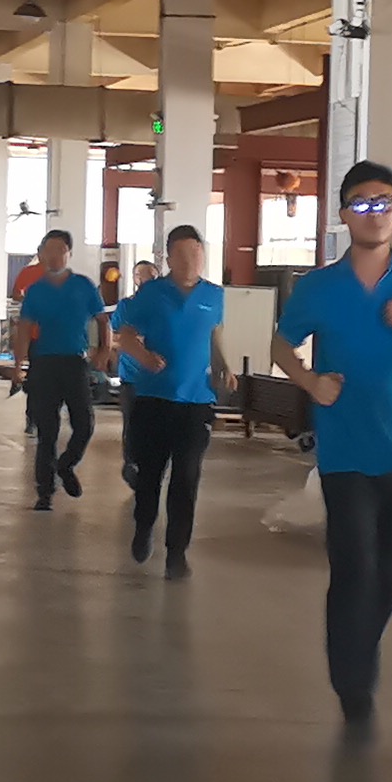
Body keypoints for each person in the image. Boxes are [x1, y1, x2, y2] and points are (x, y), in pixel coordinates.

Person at [272, 160, 392, 726]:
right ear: (344, 215)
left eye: (384, 202)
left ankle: (361, 649)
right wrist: (310, 381)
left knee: (387, 573)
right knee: (353, 565)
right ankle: (352, 684)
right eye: (362, 203)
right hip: (345, 452)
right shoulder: (319, 287)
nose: (374, 212)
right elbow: (282, 344)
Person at [111, 223, 233, 576]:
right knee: (150, 475)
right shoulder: (152, 294)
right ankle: (143, 526)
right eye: (182, 254)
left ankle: (177, 552)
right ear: (169, 258)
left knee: (187, 477)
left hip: (196, 401)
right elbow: (125, 337)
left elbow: (214, 334)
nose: (191, 260)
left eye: (196, 252)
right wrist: (144, 357)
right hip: (154, 399)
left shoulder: (214, 295)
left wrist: (224, 366)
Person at [11, 228, 109, 509]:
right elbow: (24, 329)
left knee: (84, 424)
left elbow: (103, 320)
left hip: (75, 363)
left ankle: (66, 465)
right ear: (42, 254)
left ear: (69, 254)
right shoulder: (36, 291)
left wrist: (104, 350)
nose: (54, 256)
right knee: (47, 430)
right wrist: (19, 365)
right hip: (44, 364)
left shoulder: (83, 286)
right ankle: (45, 492)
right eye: (49, 251)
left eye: (60, 250)